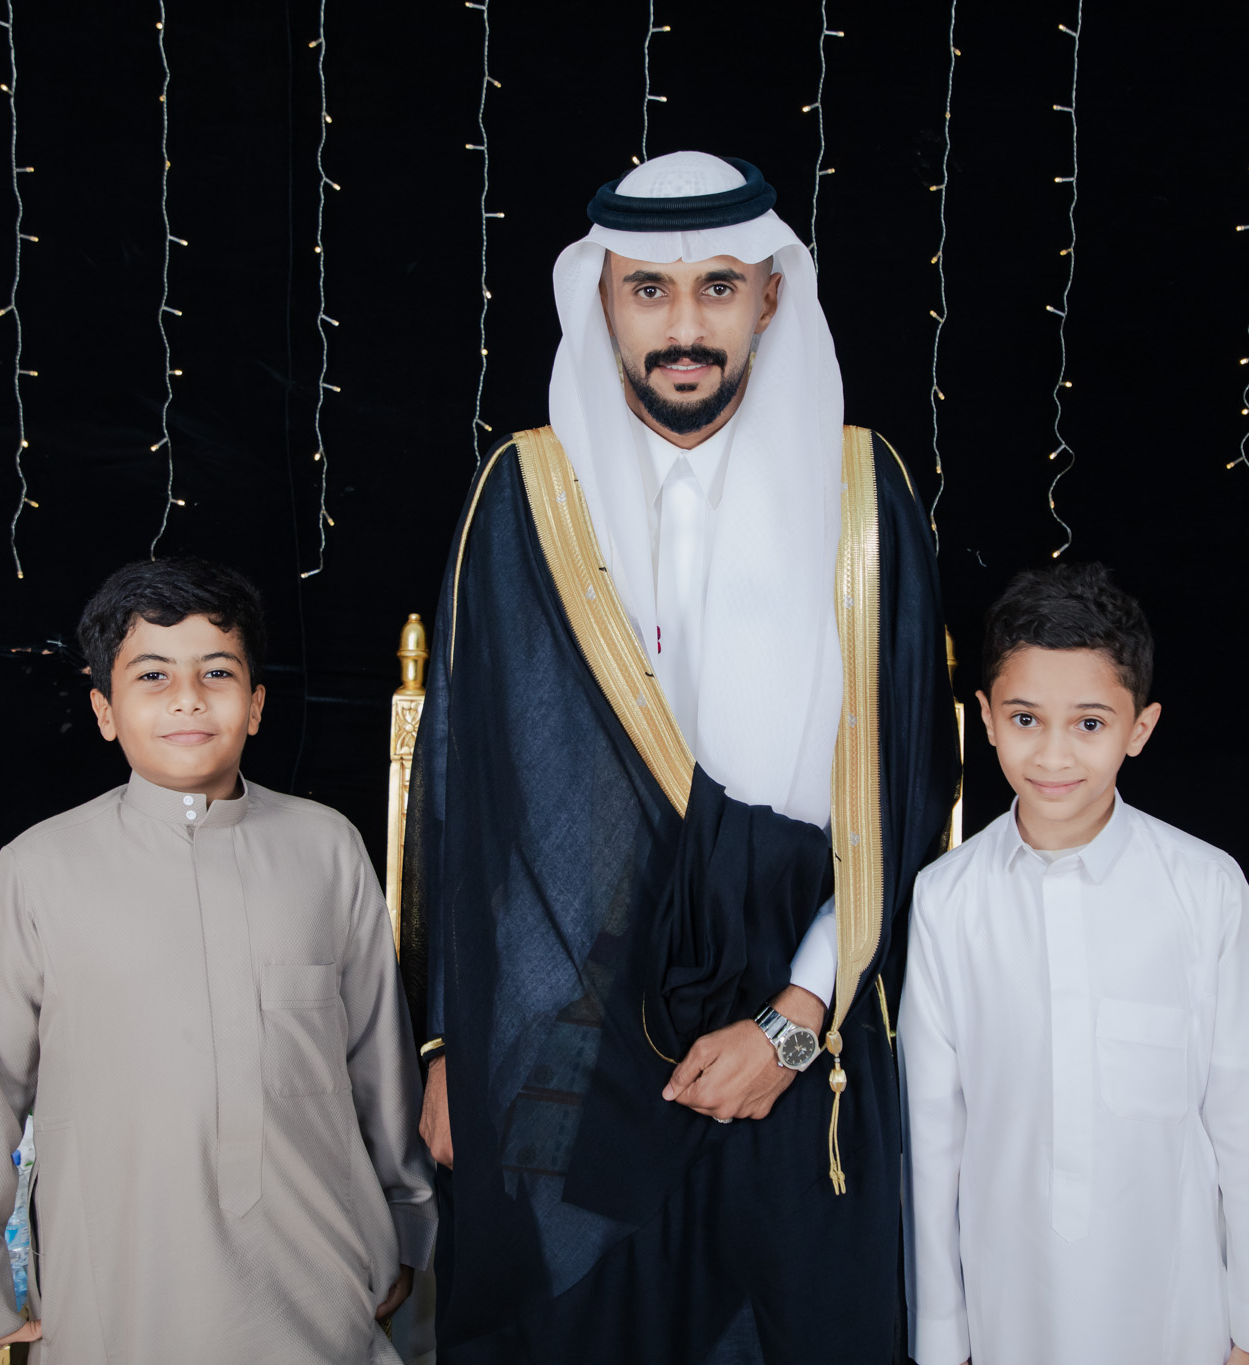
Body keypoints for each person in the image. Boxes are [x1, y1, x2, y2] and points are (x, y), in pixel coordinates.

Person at [400, 151, 958, 1363]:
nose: (683, 326)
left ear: (769, 296)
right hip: (568, 1005)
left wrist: (794, 1021)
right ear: (600, 300)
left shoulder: (862, 496)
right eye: (647, 290)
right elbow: (465, 796)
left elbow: (904, 789)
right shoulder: (527, 492)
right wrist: (449, 1044)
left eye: (717, 286)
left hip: (803, 1006)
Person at [0, 559, 435, 1365]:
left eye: (217, 672)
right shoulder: (38, 869)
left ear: (256, 704)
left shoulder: (326, 847)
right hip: (118, 1287)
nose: (188, 697)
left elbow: (380, 1059)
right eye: (152, 674)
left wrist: (403, 1222)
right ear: (104, 710)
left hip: (318, 1280)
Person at [899, 562, 1249, 1365]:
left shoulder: (1204, 888)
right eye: (1026, 717)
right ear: (986, 718)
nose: (1053, 754)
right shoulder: (947, 898)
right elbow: (934, 1130)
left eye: (1089, 723)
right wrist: (942, 1338)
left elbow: (1246, 1116)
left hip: (1175, 1306)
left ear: (1140, 728)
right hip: (1007, 1305)